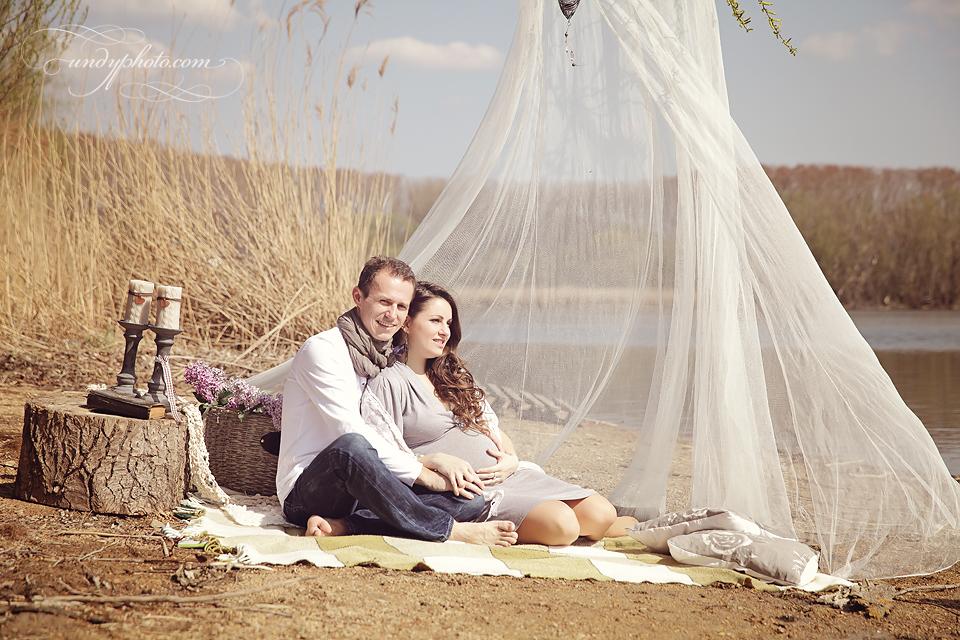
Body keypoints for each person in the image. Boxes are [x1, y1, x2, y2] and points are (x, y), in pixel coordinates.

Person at [362, 281, 637, 546]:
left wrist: (511, 459)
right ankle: (585, 528)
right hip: (471, 494)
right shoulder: (390, 381)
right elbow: (381, 454)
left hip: (510, 475)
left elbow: (490, 427)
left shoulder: (451, 375)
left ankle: (598, 526)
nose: (444, 331)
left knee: (601, 513)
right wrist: (429, 461)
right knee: (563, 526)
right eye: (435, 321)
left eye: (448, 323)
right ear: (407, 323)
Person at [277, 257, 518, 547]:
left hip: (368, 489)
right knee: (350, 446)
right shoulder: (324, 351)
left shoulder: (385, 354)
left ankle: (348, 526)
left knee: (469, 500)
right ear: (358, 297)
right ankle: (450, 530)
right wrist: (423, 474)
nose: (392, 315)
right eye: (384, 302)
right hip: (314, 489)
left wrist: (430, 463)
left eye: (401, 307)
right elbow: (350, 431)